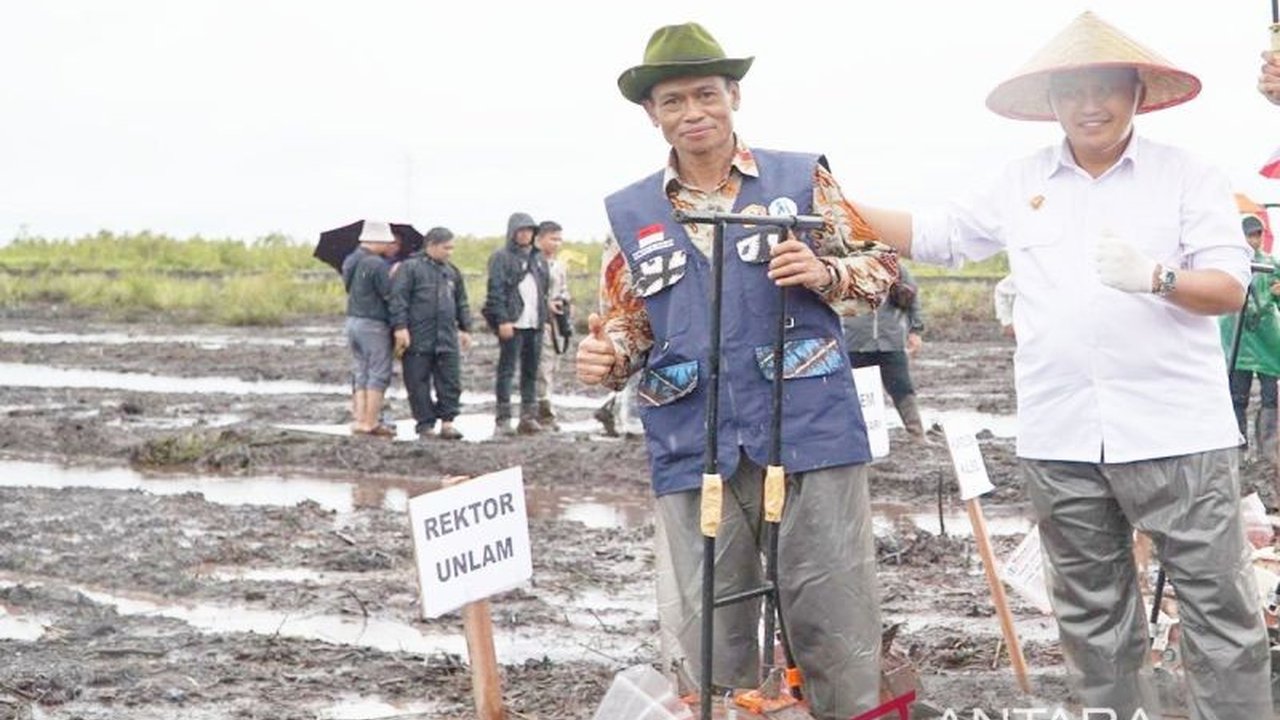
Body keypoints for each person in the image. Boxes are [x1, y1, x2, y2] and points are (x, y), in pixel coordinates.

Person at [852, 12, 1272, 717]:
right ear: (1050, 102)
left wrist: (1157, 278)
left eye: (1106, 87)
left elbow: (1229, 286)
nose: (1090, 105)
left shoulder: (1187, 177)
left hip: (1180, 437)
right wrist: (833, 202)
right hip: (1064, 438)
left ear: (1136, 92)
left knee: (1220, 618)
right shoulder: (1022, 181)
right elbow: (938, 235)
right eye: (1072, 90)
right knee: (1092, 624)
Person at [575, 22, 899, 718]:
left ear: (734, 96)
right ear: (651, 113)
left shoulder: (800, 178)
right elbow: (628, 327)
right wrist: (606, 360)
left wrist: (824, 271)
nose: (693, 112)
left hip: (808, 423)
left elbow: (882, 269)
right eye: (673, 101)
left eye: (706, 94)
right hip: (695, 437)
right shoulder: (632, 212)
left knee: (834, 612)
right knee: (706, 627)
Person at [390, 226, 473, 441]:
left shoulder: (452, 271)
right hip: (418, 336)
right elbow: (399, 300)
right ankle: (425, 425)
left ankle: (448, 423)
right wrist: (400, 328)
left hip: (446, 336)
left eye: (452, 248)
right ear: (431, 245)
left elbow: (461, 301)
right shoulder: (410, 268)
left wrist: (465, 328)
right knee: (417, 382)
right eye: (446, 247)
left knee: (450, 381)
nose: (449, 252)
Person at [842, 264, 929, 443]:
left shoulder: (896, 268)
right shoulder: (846, 266)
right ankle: (856, 438)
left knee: (902, 387)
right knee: (853, 392)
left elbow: (913, 299)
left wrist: (915, 331)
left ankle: (917, 434)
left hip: (891, 340)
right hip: (855, 340)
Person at [482, 212, 550, 436]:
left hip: (534, 323)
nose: (525, 235)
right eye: (521, 230)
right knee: (507, 371)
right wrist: (502, 320)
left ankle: (527, 417)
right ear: (512, 233)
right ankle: (503, 419)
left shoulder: (538, 258)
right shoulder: (501, 257)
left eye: (529, 231)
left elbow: (544, 290)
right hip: (512, 322)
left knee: (530, 371)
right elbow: (496, 292)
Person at [1220, 214, 1280, 461]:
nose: (1253, 240)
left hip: (1266, 337)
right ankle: (1239, 445)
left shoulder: (1271, 263)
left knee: (1270, 395)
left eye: (1257, 234)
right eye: (1249, 234)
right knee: (1237, 395)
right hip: (1239, 337)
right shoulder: (1227, 264)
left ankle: (1268, 447)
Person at [341, 220, 401, 437]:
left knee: (361, 371)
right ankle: (370, 421)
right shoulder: (376, 264)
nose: (391, 246)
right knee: (378, 372)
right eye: (388, 241)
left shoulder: (350, 260)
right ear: (379, 240)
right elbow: (388, 295)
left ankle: (360, 419)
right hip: (374, 323)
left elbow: (351, 287)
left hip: (353, 321)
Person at [534, 220, 571, 430]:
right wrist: (545, 304)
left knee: (552, 364)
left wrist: (564, 303)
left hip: (556, 322)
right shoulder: (533, 263)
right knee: (542, 366)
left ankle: (545, 408)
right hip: (538, 322)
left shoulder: (558, 265)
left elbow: (563, 289)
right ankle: (544, 410)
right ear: (539, 240)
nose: (557, 243)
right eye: (553, 238)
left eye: (559, 239)